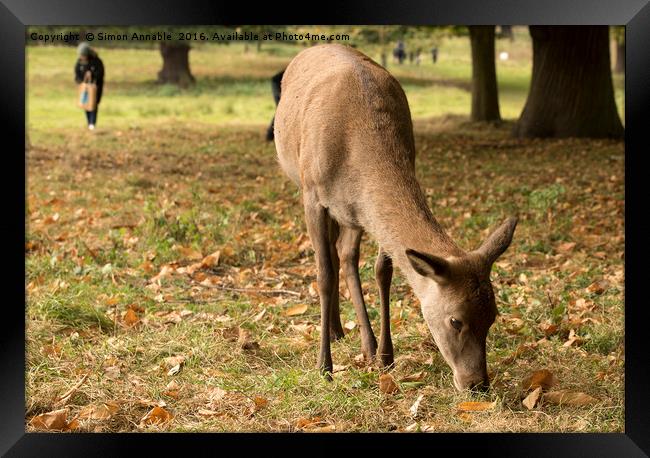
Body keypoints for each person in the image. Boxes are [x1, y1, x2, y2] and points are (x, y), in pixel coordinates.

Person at [74, 42, 104, 130]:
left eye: (83, 55)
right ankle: (89, 122)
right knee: (85, 103)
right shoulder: (79, 63)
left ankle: (92, 122)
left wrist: (92, 76)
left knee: (93, 103)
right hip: (84, 88)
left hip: (96, 87)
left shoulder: (96, 61)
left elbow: (100, 74)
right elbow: (77, 74)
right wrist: (81, 81)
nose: (81, 57)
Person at [266, 69, 285, 141]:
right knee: (280, 111)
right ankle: (269, 135)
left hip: (278, 83)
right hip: (276, 84)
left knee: (280, 111)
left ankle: (270, 135)